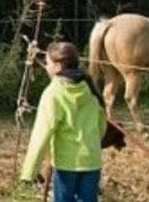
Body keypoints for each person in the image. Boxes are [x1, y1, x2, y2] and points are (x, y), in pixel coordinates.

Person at [19, 42, 106, 202]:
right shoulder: (90, 88)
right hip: (92, 161)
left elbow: (41, 135)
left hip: (67, 164)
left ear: (58, 66)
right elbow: (101, 125)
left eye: (48, 62)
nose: (46, 66)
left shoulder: (53, 93)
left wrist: (29, 172)